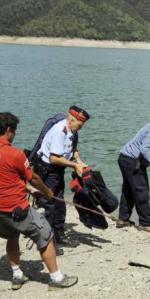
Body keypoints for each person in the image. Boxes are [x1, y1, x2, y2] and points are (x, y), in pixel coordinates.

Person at [0, 112, 77, 290]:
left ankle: (17, 275)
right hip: (15, 209)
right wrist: (46, 192)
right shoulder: (15, 154)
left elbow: (0, 180)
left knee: (12, 236)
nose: (14, 135)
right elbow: (35, 178)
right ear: (8, 130)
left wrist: (29, 190)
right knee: (45, 234)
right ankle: (57, 279)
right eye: (14, 131)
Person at [34, 105, 90, 247]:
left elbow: (73, 147)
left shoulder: (71, 130)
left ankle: (59, 234)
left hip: (57, 171)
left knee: (59, 203)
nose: (81, 128)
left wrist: (79, 161)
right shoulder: (60, 130)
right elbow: (54, 158)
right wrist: (74, 166)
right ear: (71, 120)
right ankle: (48, 242)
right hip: (48, 170)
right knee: (50, 205)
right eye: (80, 125)